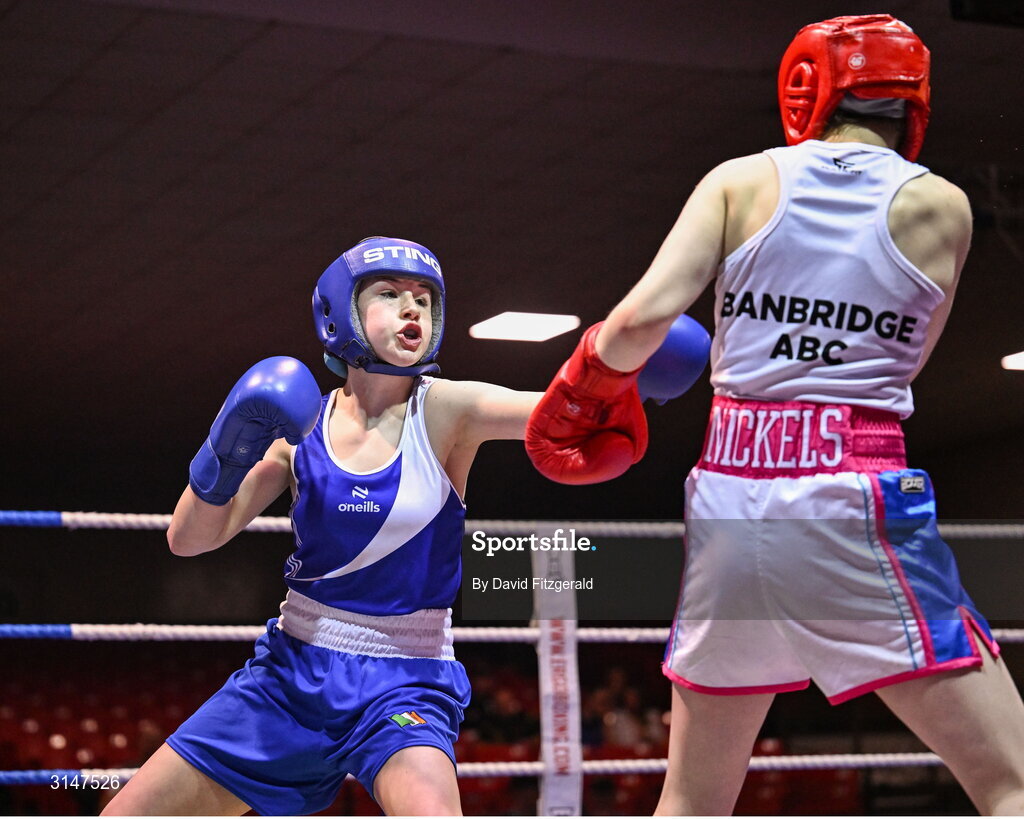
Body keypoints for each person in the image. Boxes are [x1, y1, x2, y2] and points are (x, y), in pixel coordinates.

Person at [526, 14, 1024, 815]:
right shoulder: (947, 208)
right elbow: (911, 360)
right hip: (850, 493)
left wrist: (576, 395)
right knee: (1013, 780)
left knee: (692, 799)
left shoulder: (740, 179)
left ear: (809, 87)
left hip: (729, 500)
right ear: (912, 103)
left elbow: (641, 322)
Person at [103, 236, 542, 816]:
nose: (413, 308)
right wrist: (228, 449)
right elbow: (188, 540)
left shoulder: (447, 410)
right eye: (390, 293)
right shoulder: (298, 428)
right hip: (291, 671)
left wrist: (613, 365)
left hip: (405, 679)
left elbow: (557, 413)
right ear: (342, 312)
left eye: (424, 299)